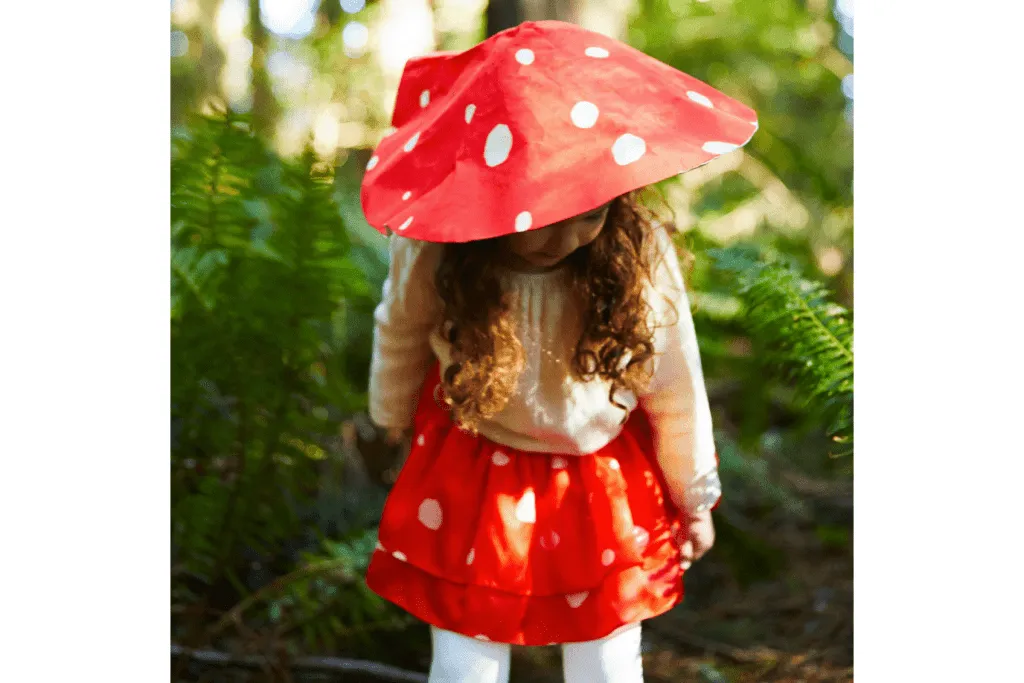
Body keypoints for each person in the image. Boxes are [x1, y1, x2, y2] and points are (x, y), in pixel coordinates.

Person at [360, 19, 757, 683]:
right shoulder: (439, 248)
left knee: (606, 659)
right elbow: (400, 328)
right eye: (544, 212)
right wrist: (388, 417)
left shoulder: (636, 253)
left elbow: (674, 379)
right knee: (465, 659)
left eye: (590, 209)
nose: (567, 234)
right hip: (476, 466)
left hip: (599, 475)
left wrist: (694, 497)